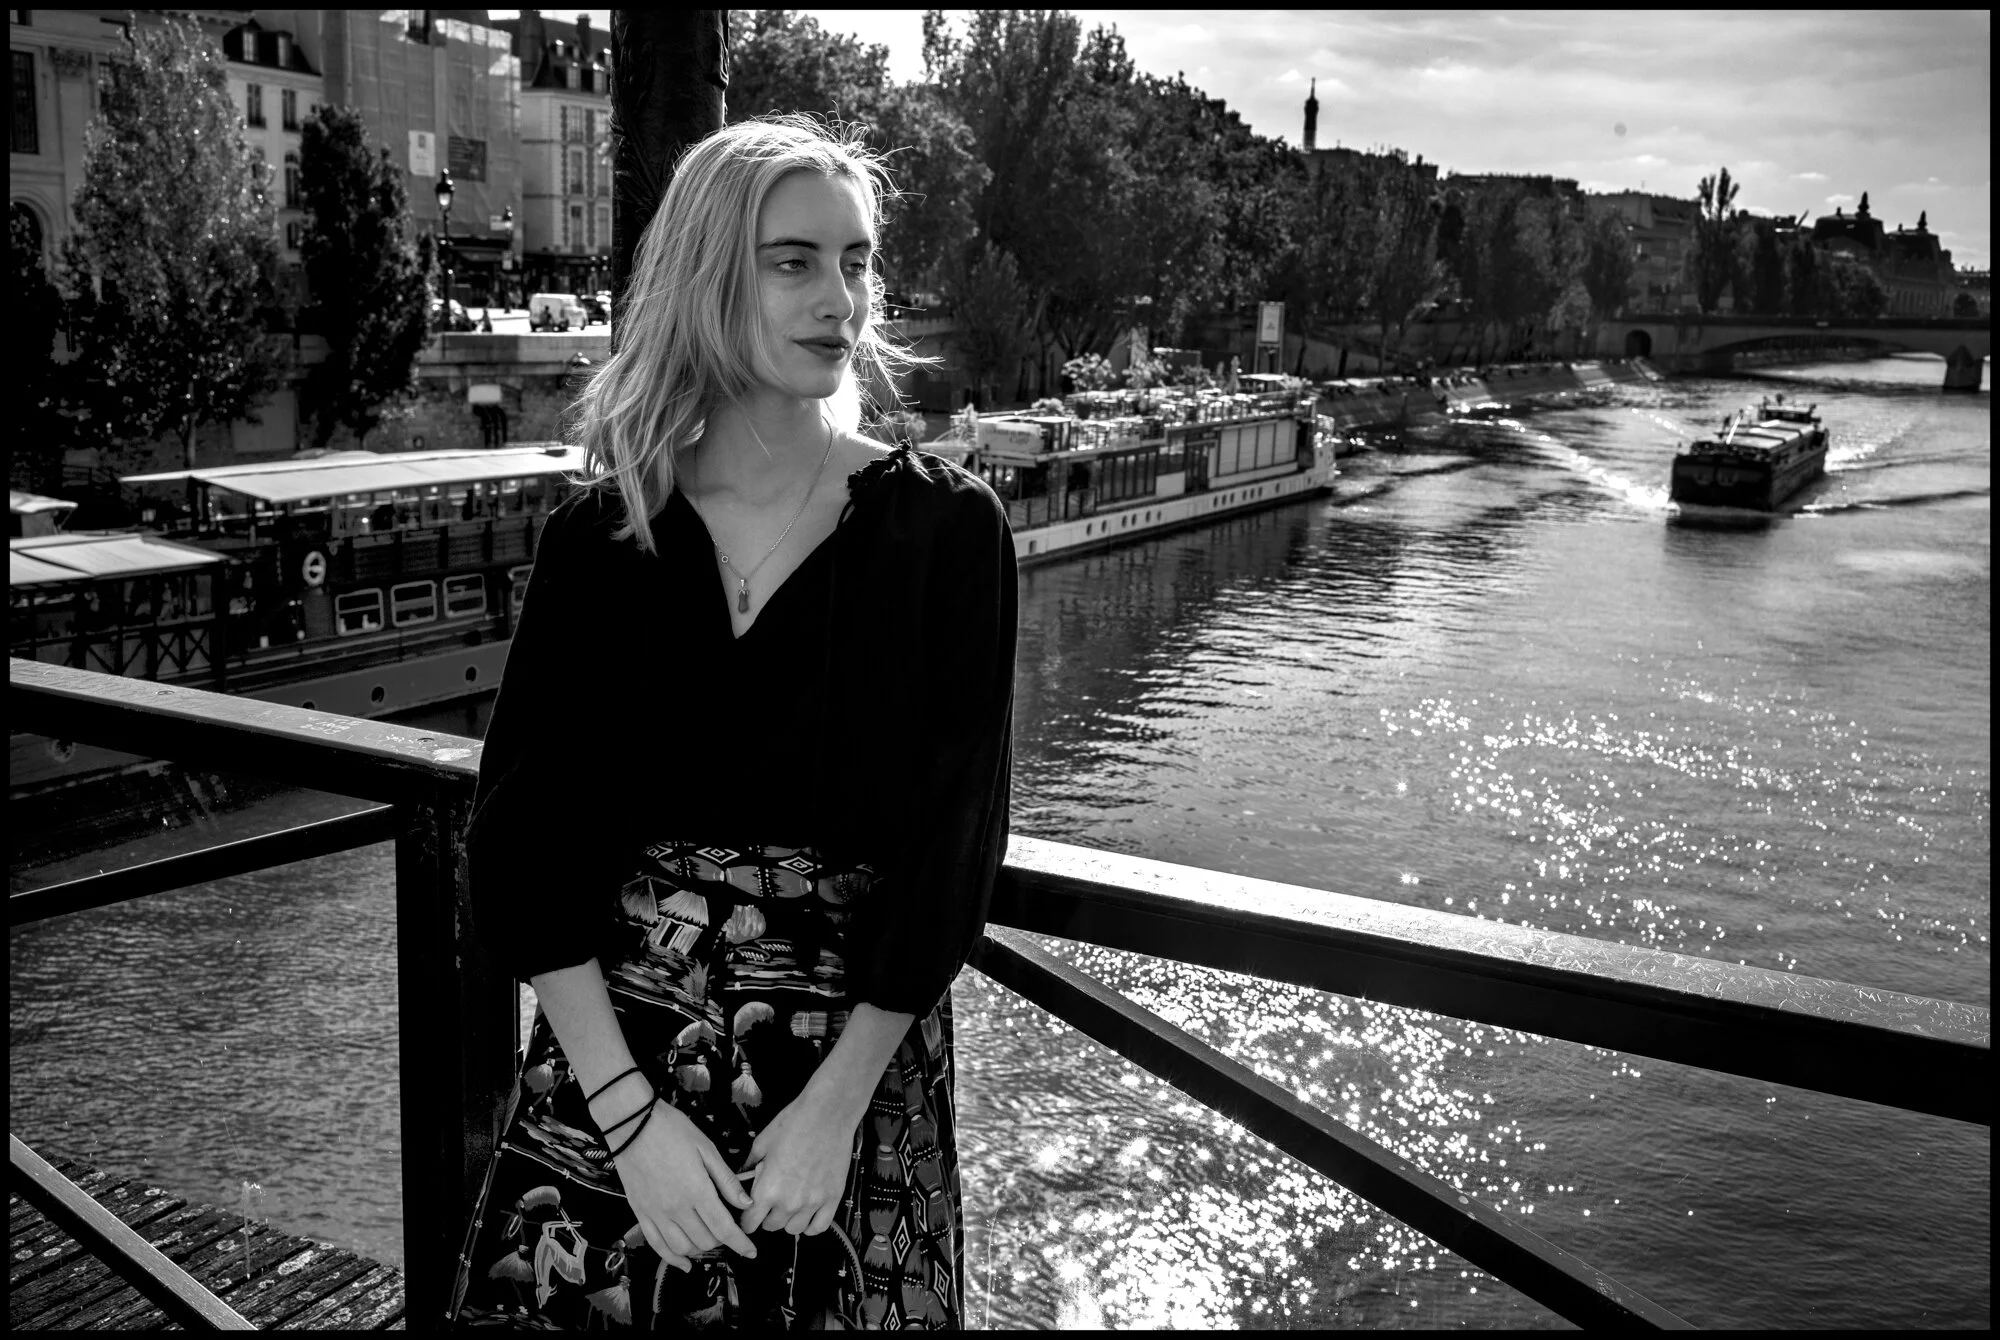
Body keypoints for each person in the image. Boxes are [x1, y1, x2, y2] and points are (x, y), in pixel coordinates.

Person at [447, 115, 1017, 1331]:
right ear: (711, 274)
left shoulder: (947, 536)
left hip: (843, 1104)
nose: (842, 298)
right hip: (620, 1081)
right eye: (793, 260)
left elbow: (951, 854)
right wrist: (630, 1122)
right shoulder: (601, 543)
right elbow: (524, 848)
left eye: (856, 260)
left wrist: (834, 1109)